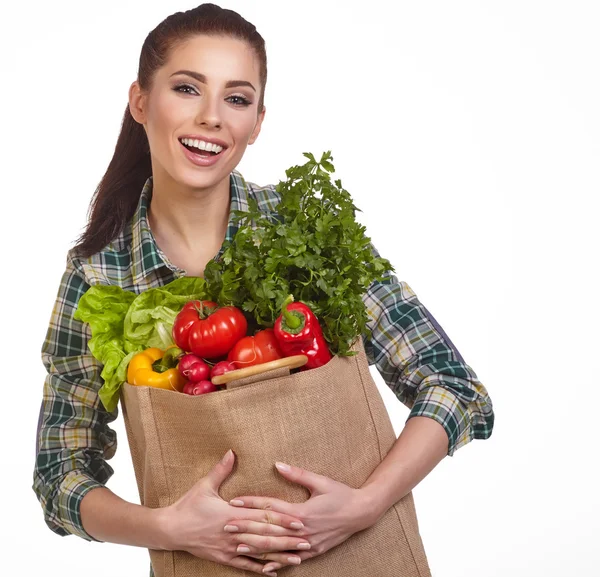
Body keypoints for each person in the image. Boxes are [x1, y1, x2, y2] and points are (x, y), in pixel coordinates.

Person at [33, 3, 494, 576]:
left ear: (257, 122)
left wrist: (363, 506)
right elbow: (60, 472)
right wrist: (170, 527)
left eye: (236, 98)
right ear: (140, 102)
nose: (211, 117)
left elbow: (452, 386)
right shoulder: (100, 274)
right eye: (186, 88)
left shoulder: (305, 230)